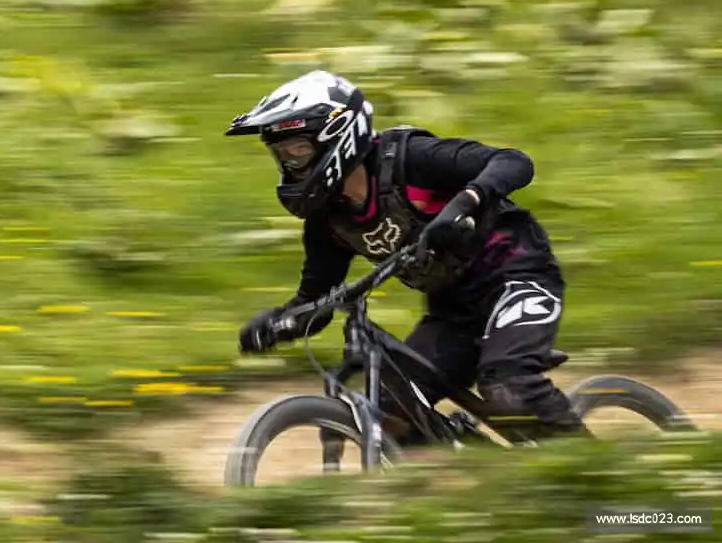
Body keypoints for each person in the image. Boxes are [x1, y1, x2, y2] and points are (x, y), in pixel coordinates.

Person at [226, 69, 588, 446]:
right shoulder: (328, 222)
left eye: (297, 150)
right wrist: (278, 324)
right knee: (393, 413)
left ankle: (603, 477)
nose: (289, 165)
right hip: (453, 312)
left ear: (337, 135)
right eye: (282, 155)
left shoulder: (409, 160)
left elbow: (514, 162)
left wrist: (464, 204)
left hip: (517, 276)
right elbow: (317, 301)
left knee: (509, 386)